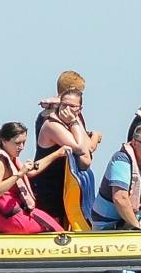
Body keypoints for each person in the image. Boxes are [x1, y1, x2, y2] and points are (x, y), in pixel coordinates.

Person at [33, 72, 102, 220]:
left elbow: (86, 154)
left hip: (64, 183)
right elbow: (84, 148)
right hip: (49, 184)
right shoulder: (50, 120)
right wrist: (94, 136)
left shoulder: (72, 116)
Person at [0, 121, 66, 234]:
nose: (21, 147)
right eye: (17, 143)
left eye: (24, 142)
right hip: (10, 218)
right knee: (56, 230)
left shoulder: (11, 157)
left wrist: (57, 154)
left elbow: (31, 171)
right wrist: (19, 174)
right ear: (4, 141)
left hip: (19, 213)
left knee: (54, 222)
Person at [91, 118, 141, 230]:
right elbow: (120, 198)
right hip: (108, 226)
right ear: (135, 143)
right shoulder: (121, 159)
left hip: (134, 222)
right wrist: (137, 227)